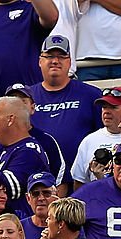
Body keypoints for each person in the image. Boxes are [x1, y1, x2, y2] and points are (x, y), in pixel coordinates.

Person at [24, 35, 102, 179]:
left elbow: (104, 135)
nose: (55, 61)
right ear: (40, 61)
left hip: (81, 179)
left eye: (61, 56)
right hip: (37, 181)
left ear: (69, 62)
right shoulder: (26, 97)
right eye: (49, 56)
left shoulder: (91, 95)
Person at [71, 86, 121, 188]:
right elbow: (79, 183)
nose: (106, 111)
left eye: (113, 107)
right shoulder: (89, 140)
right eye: (104, 107)